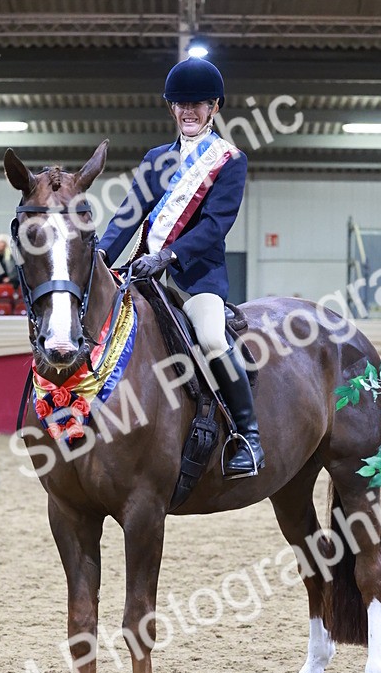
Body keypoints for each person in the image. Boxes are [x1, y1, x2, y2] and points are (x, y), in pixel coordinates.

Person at [98, 56, 263, 477]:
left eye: (199, 104)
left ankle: (249, 435)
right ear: (171, 108)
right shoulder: (156, 158)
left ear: (215, 108)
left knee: (210, 337)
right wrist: (101, 256)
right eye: (181, 104)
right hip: (142, 273)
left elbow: (214, 226)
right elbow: (128, 214)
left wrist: (168, 256)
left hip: (196, 278)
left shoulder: (229, 160)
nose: (189, 111)